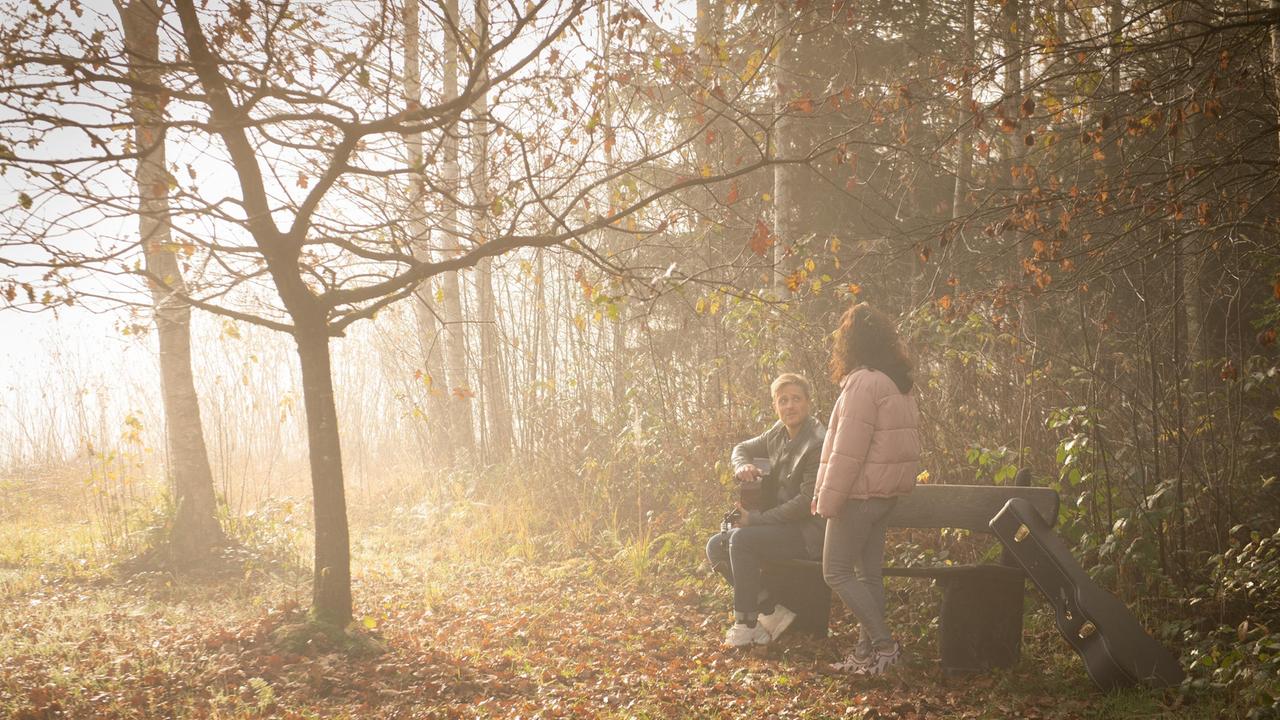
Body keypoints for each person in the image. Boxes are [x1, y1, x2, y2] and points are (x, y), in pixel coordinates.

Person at [812, 302, 921, 675]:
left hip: (858, 496)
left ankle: (885, 647)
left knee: (835, 571)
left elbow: (848, 451)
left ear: (850, 342)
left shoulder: (863, 381)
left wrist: (828, 500)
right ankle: (864, 656)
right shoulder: (895, 382)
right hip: (883, 496)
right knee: (868, 576)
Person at [706, 373, 827, 648]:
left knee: (742, 539)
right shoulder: (778, 432)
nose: (789, 406)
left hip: (808, 531)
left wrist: (755, 520)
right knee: (716, 545)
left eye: (796, 399)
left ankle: (747, 626)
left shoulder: (818, 441)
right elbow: (741, 448)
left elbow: (806, 502)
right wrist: (742, 466)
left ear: (808, 403)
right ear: (775, 406)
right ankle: (770, 610)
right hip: (779, 526)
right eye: (782, 400)